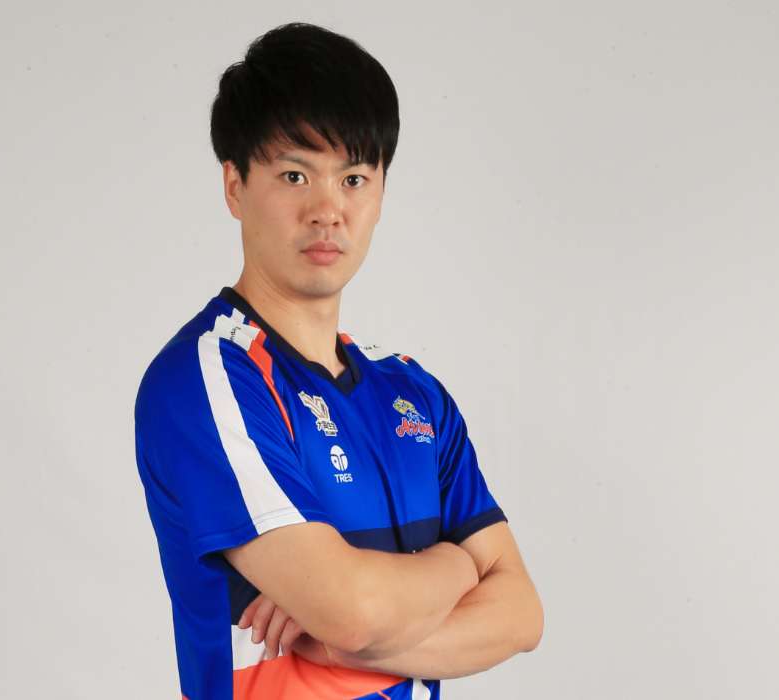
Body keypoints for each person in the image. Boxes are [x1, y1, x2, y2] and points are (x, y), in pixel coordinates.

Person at [133, 21, 543, 700]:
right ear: (235, 186)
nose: (328, 211)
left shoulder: (414, 392)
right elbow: (353, 609)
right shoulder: (206, 379)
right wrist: (459, 566)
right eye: (295, 175)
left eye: (354, 178)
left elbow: (522, 615)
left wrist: (347, 637)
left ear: (380, 194)